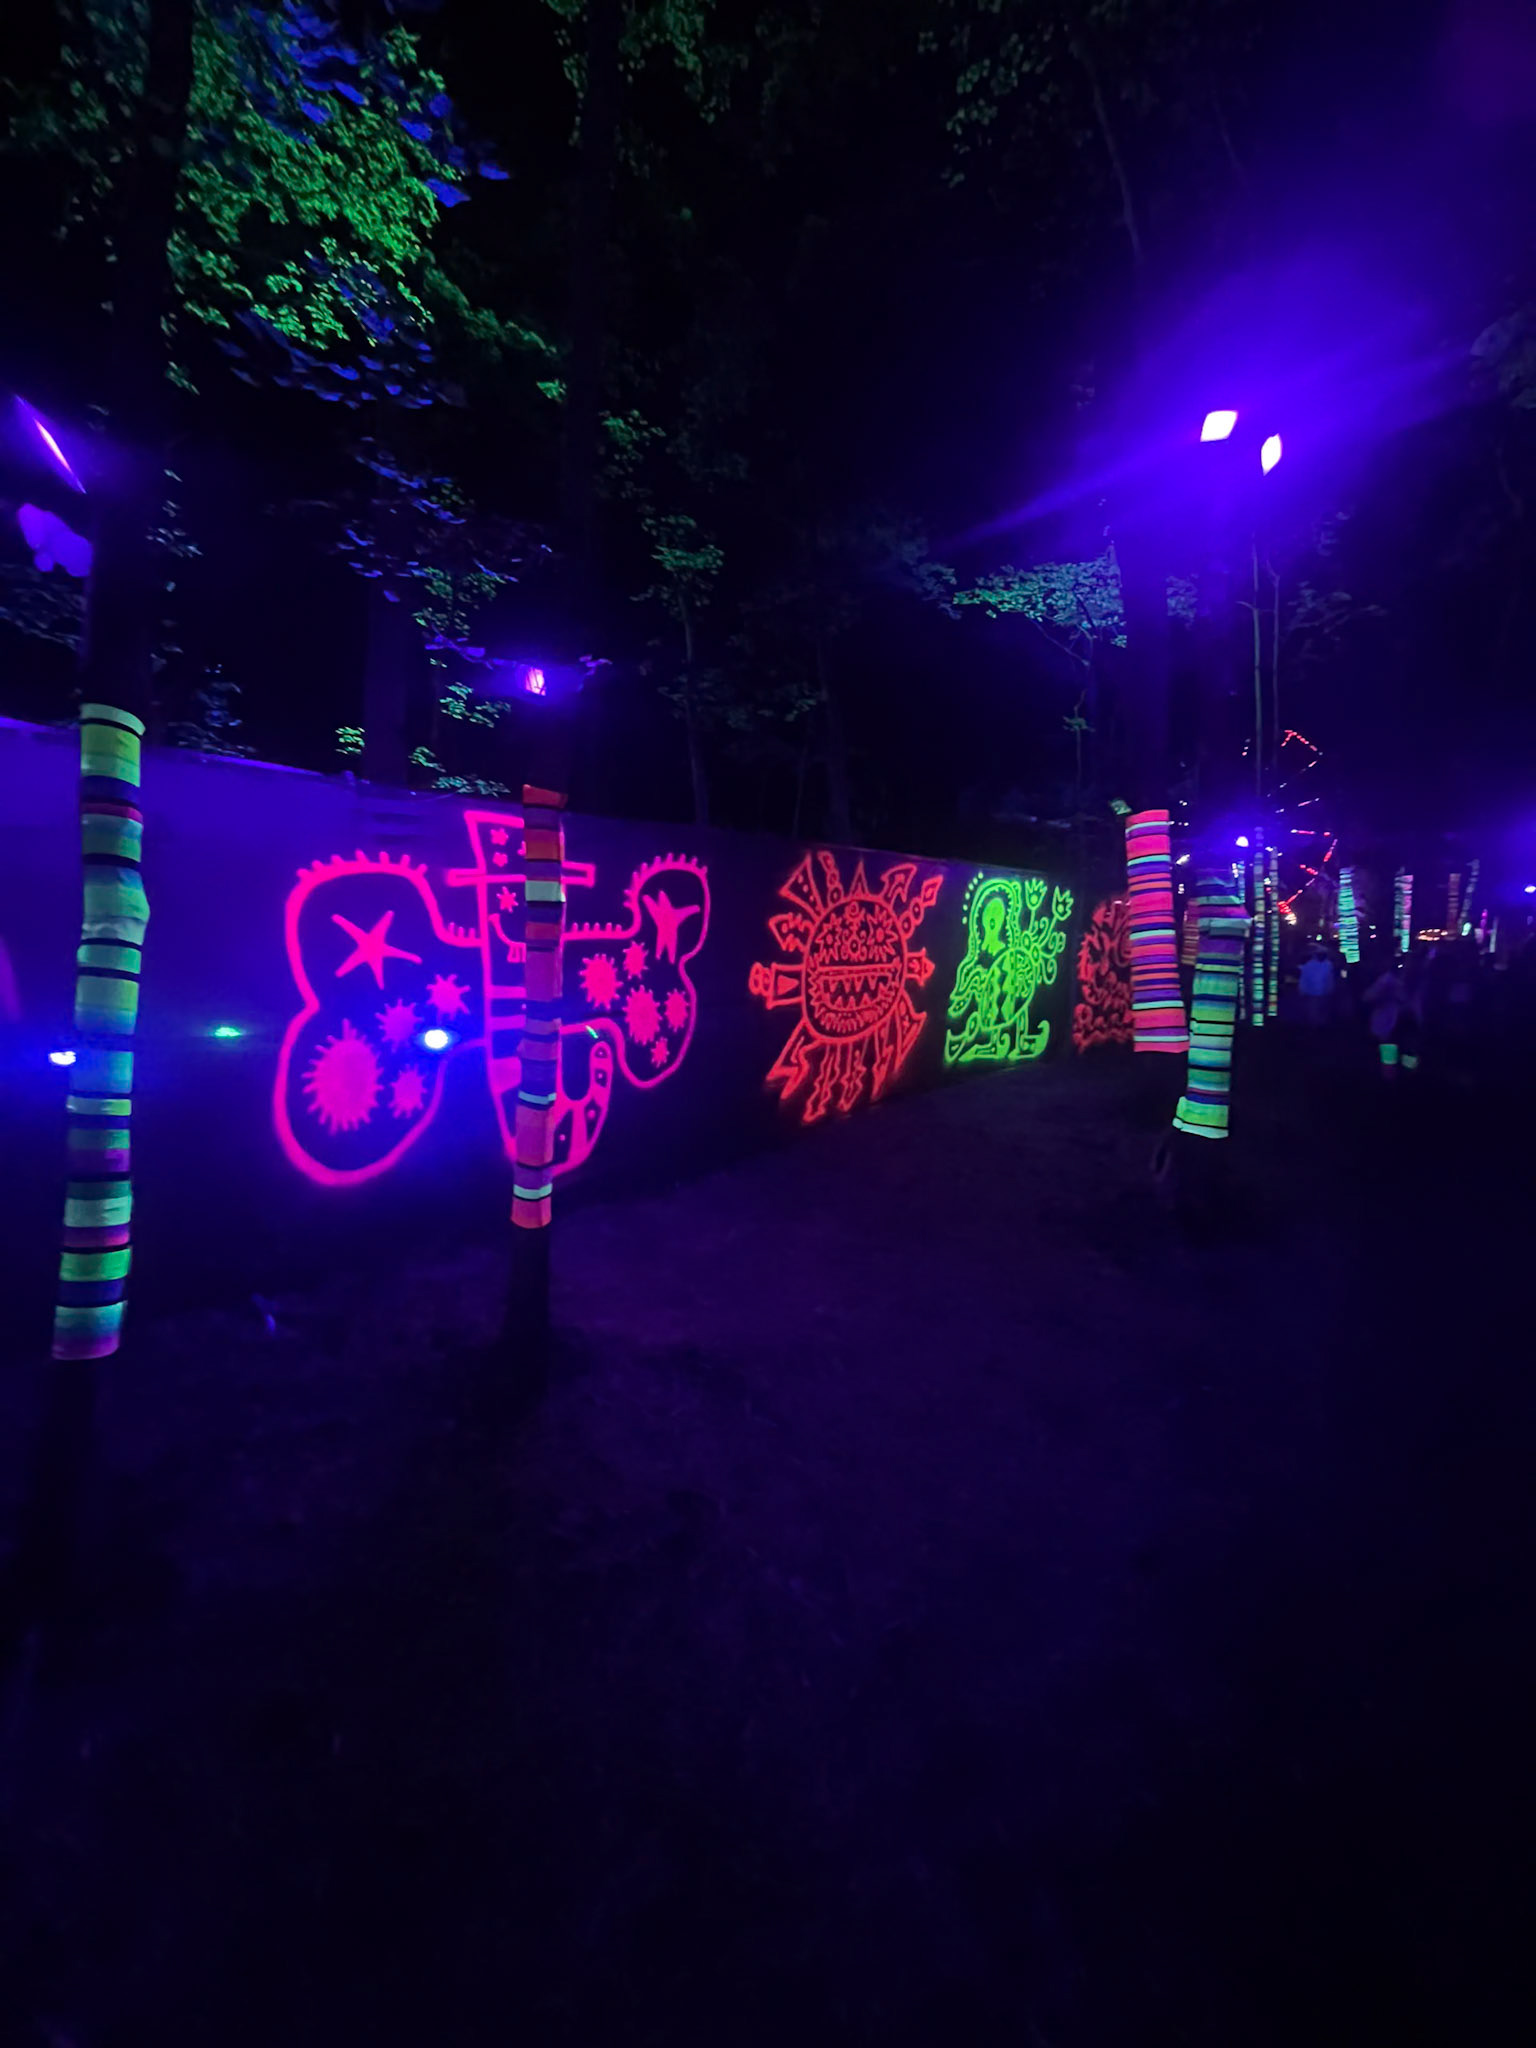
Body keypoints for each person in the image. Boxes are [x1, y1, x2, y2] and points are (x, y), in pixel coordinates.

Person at [1364, 957, 1421, 1074]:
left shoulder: (1413, 981)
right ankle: (1395, 1077)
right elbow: (1367, 997)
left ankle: (1407, 1077)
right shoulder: (1387, 981)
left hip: (1404, 1025)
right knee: (1392, 1060)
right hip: (1390, 1025)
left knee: (1407, 1058)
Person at [1298, 945, 1335, 1025]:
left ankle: (1321, 1026)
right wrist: (1303, 990)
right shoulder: (1309, 965)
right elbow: (1303, 979)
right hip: (1312, 993)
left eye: (1323, 954)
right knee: (1313, 1012)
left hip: (1325, 993)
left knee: (1323, 1010)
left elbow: (1330, 979)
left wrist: (1330, 989)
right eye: (1320, 954)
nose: (1321, 956)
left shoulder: (1329, 965)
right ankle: (1314, 1026)